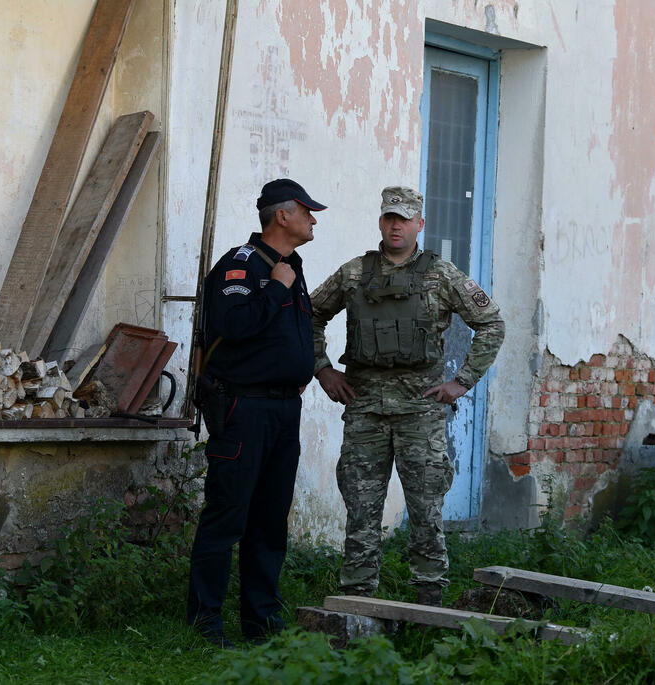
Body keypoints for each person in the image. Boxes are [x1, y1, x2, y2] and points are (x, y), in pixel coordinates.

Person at [310, 186, 504, 606]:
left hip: (422, 410)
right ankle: (357, 601)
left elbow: (491, 323)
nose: (396, 225)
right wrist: (323, 370)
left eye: (404, 218)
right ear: (381, 222)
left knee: (425, 509)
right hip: (365, 410)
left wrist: (462, 381)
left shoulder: (442, 275)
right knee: (361, 508)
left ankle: (428, 599)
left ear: (420, 223)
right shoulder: (355, 274)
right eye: (389, 218)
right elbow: (309, 315)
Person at [187, 178, 326, 647]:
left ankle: (262, 624)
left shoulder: (290, 266)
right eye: (307, 210)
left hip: (284, 409)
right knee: (227, 517)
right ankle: (205, 623)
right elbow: (235, 324)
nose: (313, 218)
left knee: (269, 521)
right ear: (281, 215)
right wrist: (275, 288)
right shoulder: (242, 265)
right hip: (244, 408)